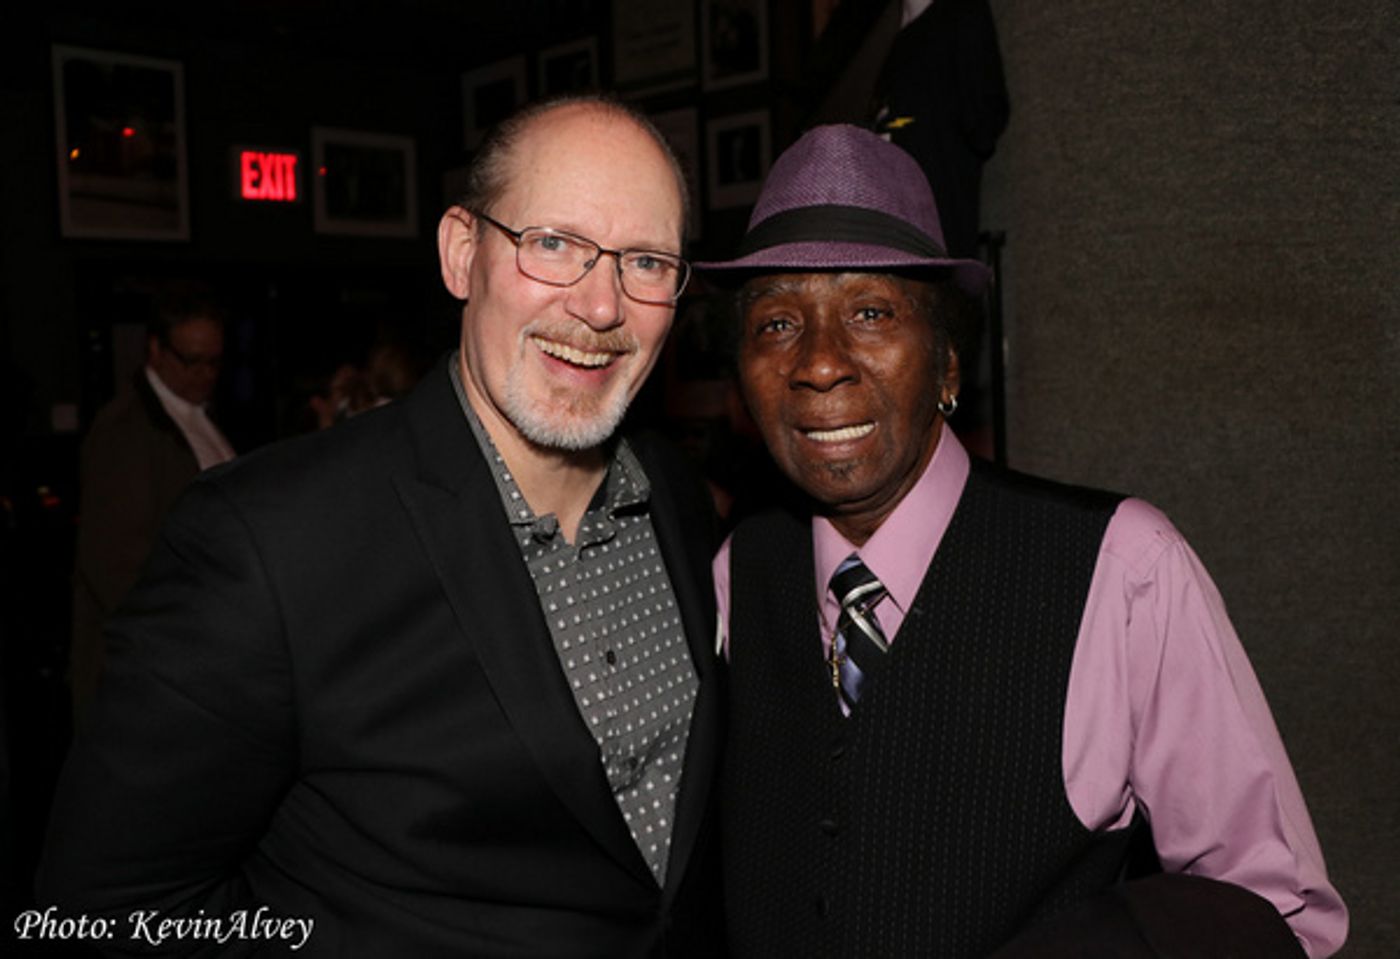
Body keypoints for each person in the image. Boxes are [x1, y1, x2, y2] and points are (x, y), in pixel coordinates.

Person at [39, 95, 724, 957]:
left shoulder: (677, 498)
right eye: (552, 244)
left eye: (648, 261)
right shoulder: (269, 543)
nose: (599, 305)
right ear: (461, 253)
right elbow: (101, 913)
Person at [698, 125, 1346, 958]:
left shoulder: (1123, 573)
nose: (820, 362)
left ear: (949, 367)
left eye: (870, 311)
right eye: (778, 323)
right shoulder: (733, 574)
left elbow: (1274, 913)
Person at [68, 296, 235, 726]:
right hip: (156, 665)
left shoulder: (194, 413)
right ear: (156, 351)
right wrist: (183, 639)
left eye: (213, 362)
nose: (204, 374)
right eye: (191, 360)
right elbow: (113, 564)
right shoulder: (126, 429)